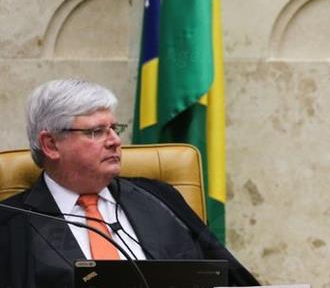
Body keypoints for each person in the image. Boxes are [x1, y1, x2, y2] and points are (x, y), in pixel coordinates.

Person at [0, 79, 259, 287]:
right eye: (95, 132)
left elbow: (229, 279)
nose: (114, 140)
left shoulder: (160, 198)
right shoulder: (10, 224)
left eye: (115, 128)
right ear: (51, 144)